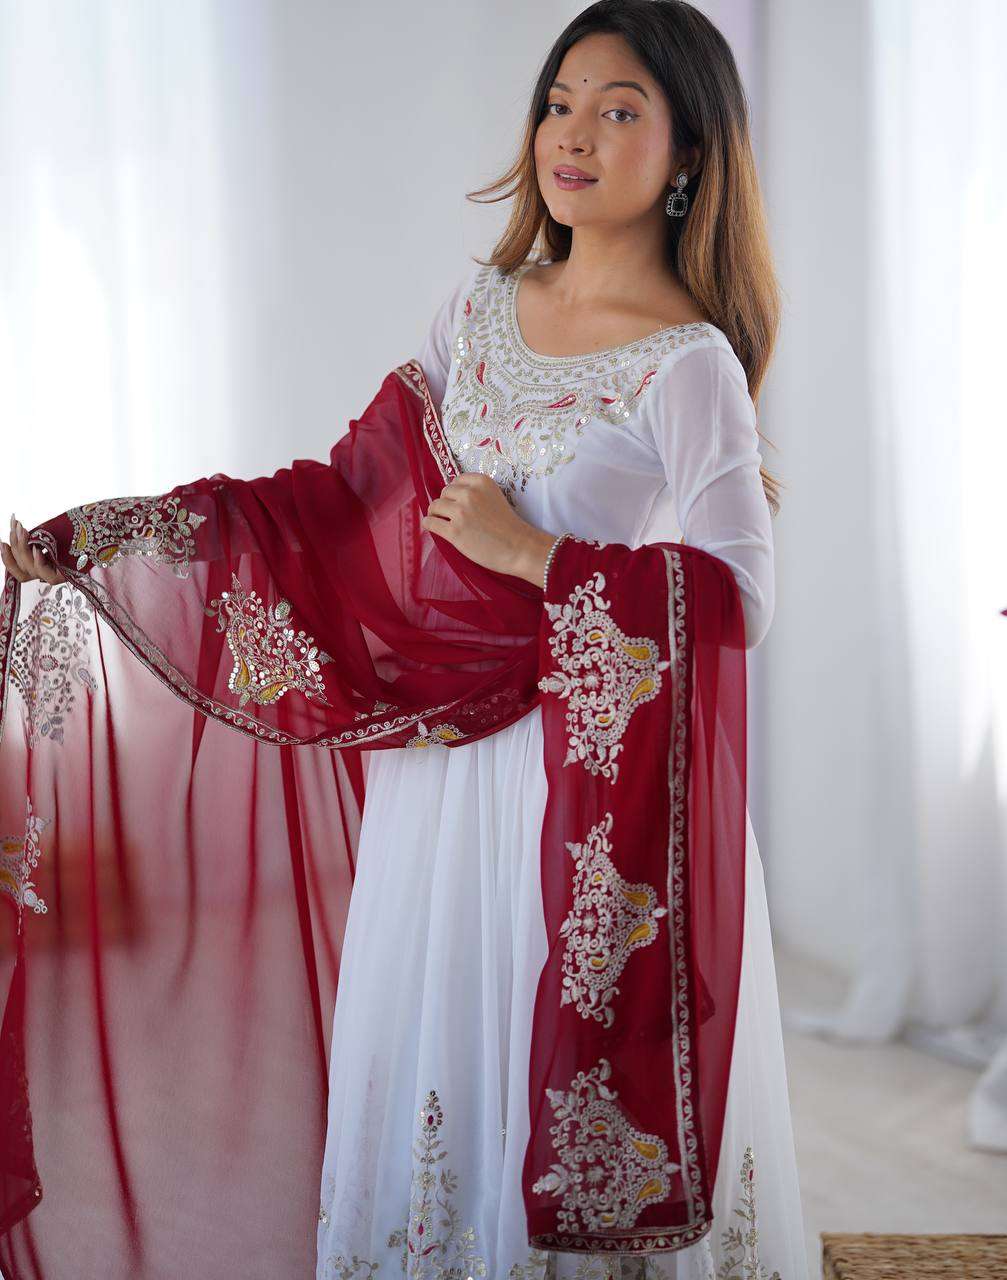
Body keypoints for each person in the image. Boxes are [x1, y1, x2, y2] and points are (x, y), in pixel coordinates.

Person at [1, 3, 808, 1278]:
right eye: (559, 104)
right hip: (441, 784)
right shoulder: (477, 310)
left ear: (690, 153)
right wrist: (121, 529)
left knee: (544, 1059)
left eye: (619, 111)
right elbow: (341, 505)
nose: (574, 136)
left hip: (579, 789)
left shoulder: (686, 363)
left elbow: (738, 595)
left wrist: (533, 554)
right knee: (447, 1063)